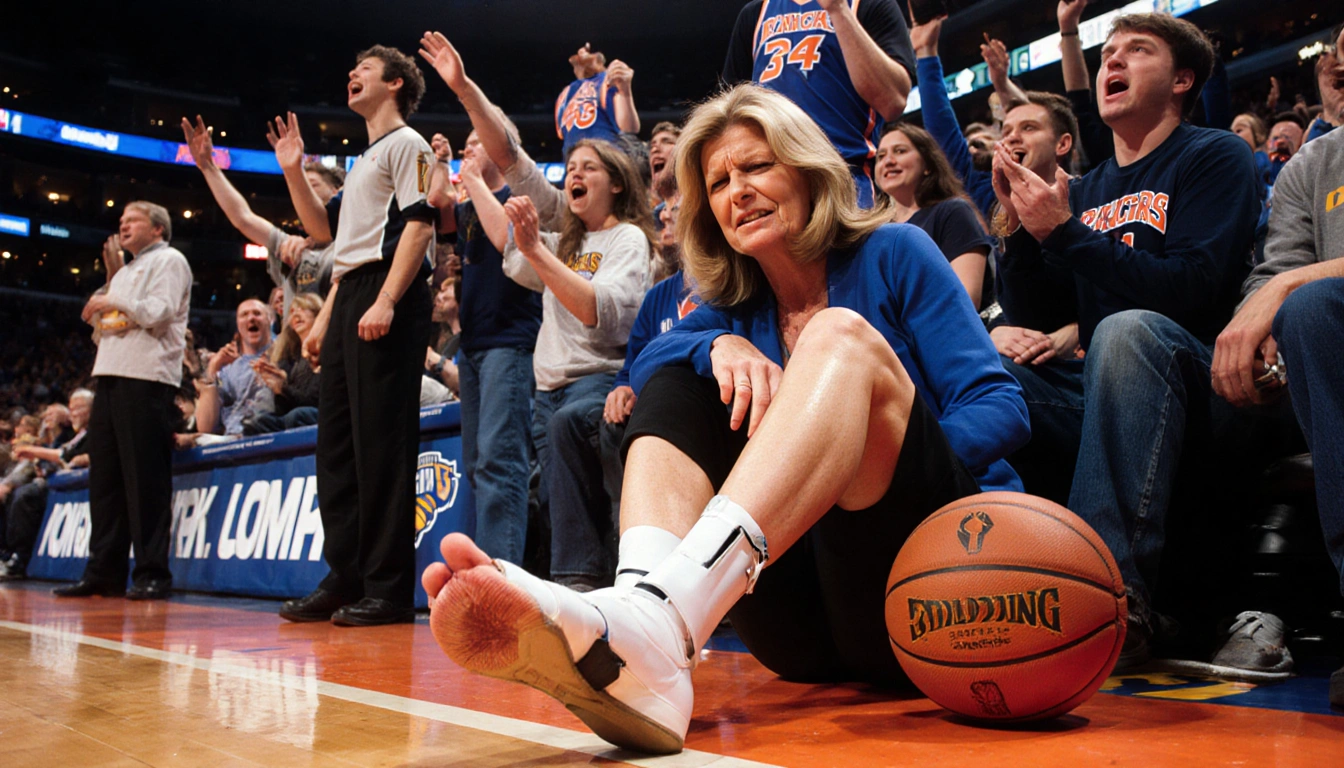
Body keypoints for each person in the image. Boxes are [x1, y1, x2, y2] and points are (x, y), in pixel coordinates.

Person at [422, 84, 1027, 754]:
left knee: (836, 337)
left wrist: (849, 448)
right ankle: (646, 611)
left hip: (925, 585)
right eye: (718, 181)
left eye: (758, 166)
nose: (737, 190)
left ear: (807, 169)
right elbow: (652, 357)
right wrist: (715, 344)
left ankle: (650, 629)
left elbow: (1002, 409)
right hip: (801, 630)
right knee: (681, 371)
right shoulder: (733, 306)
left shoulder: (896, 253)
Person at [991, 14, 1261, 663]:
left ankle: (1105, 598)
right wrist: (1023, 233)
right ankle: (984, 586)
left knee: (1127, 330)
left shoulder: (1214, 154)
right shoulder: (1086, 189)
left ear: (1182, 79)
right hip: (1104, 384)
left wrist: (1068, 233)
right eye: (1106, 51)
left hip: (1207, 381)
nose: (1112, 61)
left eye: (1136, 51)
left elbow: (1194, 288)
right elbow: (1038, 307)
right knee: (986, 377)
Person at [271, 45, 436, 627]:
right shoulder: (367, 158)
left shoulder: (409, 144)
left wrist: (388, 299)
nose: (351, 73)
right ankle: (345, 575)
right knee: (337, 446)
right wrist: (293, 169)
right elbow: (322, 230)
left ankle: (388, 588)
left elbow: (420, 223)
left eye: (362, 68)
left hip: (387, 289)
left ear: (393, 83)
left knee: (382, 446)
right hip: (351, 292)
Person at [1210, 22, 1344, 702]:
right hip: (1325, 364)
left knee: (1312, 307)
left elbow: (1288, 286)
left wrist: (1290, 289)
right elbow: (1274, 275)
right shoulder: (1311, 168)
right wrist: (1264, 346)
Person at [466, 137, 654, 583]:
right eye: (571, 167)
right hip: (548, 389)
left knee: (584, 489)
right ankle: (576, 589)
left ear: (618, 185)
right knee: (559, 501)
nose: (575, 174)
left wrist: (536, 250)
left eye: (589, 168)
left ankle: (587, 586)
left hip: (599, 380)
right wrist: (474, 180)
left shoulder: (627, 239)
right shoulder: (565, 244)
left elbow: (594, 309)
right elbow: (506, 245)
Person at [417, 39, 547, 566]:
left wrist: (467, 175)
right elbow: (435, 209)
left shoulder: (520, 199)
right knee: (477, 463)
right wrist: (441, 164)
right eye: (468, 144)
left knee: (500, 462)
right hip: (474, 346)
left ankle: (504, 577)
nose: (472, 149)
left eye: (479, 143)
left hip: (511, 344)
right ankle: (489, 568)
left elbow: (504, 244)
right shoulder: (469, 205)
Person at [58, 202, 191, 600]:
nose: (123, 225)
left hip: (147, 377)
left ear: (157, 228)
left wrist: (112, 302)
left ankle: (152, 572)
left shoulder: (170, 260)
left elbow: (159, 312)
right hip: (109, 376)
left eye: (131, 220)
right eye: (121, 221)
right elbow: (103, 331)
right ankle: (104, 571)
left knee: (145, 479)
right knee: (106, 482)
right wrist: (102, 309)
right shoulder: (126, 272)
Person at [722, 0, 915, 207]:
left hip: (844, 179)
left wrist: (838, 9)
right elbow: (727, 113)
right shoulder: (755, 14)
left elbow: (893, 101)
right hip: (771, 183)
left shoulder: (870, 4)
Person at [181, 116, 339, 318]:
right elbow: (243, 218)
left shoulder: (354, 242)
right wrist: (208, 167)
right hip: (294, 346)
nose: (303, 191)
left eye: (312, 185)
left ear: (337, 192)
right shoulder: (289, 244)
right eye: (298, 185)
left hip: (337, 344)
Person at [874, 123, 993, 309]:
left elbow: (966, 297)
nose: (888, 161)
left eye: (900, 151)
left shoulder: (953, 212)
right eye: (880, 156)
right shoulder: (876, 231)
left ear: (928, 165)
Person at [0, 389, 92, 581]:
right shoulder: (69, 434)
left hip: (64, 486)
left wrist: (34, 452)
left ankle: (19, 558)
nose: (72, 412)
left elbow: (63, 456)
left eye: (77, 408)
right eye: (70, 408)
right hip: (52, 480)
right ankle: (7, 554)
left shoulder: (84, 432)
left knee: (24, 495)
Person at [245, 293, 323, 434]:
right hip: (294, 416)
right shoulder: (291, 357)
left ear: (319, 315)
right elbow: (284, 410)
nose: (297, 315)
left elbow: (317, 400)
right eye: (293, 312)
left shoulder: (327, 349)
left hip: (323, 413)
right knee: (257, 422)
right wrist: (277, 389)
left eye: (304, 309)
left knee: (297, 416)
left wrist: (284, 388)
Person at [195, 299, 274, 436]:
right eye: (244, 315)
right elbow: (205, 427)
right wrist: (213, 368)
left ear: (270, 320)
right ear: (238, 324)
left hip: (271, 436)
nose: (251, 318)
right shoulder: (227, 369)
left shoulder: (283, 352)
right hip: (233, 442)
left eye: (257, 313)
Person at [555, 44, 639, 159]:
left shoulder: (608, 79)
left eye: (589, 51)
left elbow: (629, 128)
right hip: (574, 165)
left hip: (606, 161)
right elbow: (563, 135)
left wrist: (625, 93)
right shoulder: (566, 93)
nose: (582, 52)